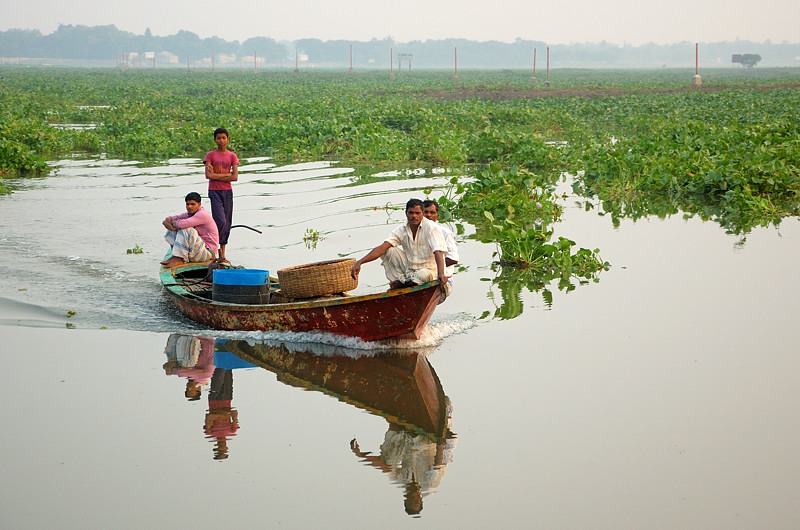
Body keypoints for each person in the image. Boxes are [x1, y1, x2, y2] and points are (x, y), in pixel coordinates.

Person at [351, 198, 447, 289]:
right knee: (389, 250)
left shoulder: (431, 228)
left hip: (429, 272)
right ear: (406, 213)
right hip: (410, 270)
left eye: (417, 213)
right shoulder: (402, 229)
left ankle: (404, 284)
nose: (414, 216)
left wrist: (441, 274)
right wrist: (360, 262)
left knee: (423, 274)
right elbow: (381, 248)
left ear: (422, 214)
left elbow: (438, 251)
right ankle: (404, 281)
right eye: (411, 213)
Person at [203, 127, 239, 264]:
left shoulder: (232, 156)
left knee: (227, 222)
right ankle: (214, 248)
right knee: (220, 221)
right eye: (218, 138)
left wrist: (217, 176)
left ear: (227, 139)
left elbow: (235, 177)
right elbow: (208, 175)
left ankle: (223, 252)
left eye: (224, 138)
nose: (221, 140)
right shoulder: (210, 155)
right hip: (214, 191)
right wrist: (227, 175)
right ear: (215, 140)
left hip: (228, 192)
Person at [160, 192, 219, 268]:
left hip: (207, 253)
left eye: (193, 204)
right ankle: (176, 256)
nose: (189, 207)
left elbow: (181, 224)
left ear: (199, 204)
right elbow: (167, 220)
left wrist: (176, 224)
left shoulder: (202, 214)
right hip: (197, 250)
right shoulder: (189, 214)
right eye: (187, 204)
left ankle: (179, 257)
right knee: (172, 229)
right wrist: (173, 227)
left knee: (186, 228)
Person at [423, 199, 459, 291]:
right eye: (425, 212)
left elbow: (453, 259)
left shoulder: (445, 233)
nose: (428, 215)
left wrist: (431, 267)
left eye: (432, 212)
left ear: (437, 216)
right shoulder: (414, 231)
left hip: (443, 277)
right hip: (421, 274)